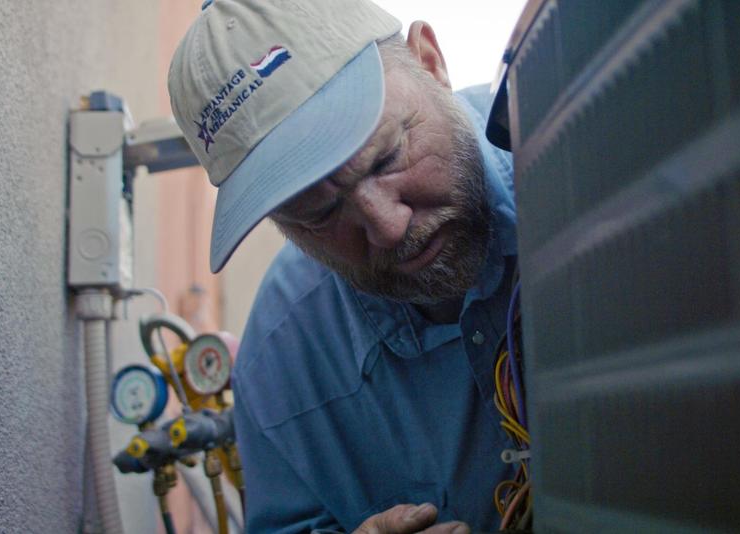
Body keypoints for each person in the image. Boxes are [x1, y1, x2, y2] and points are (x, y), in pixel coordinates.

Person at [168, 1, 517, 532]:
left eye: (386, 158)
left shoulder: (599, 151)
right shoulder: (281, 363)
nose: (389, 227)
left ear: (431, 63)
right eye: (320, 212)